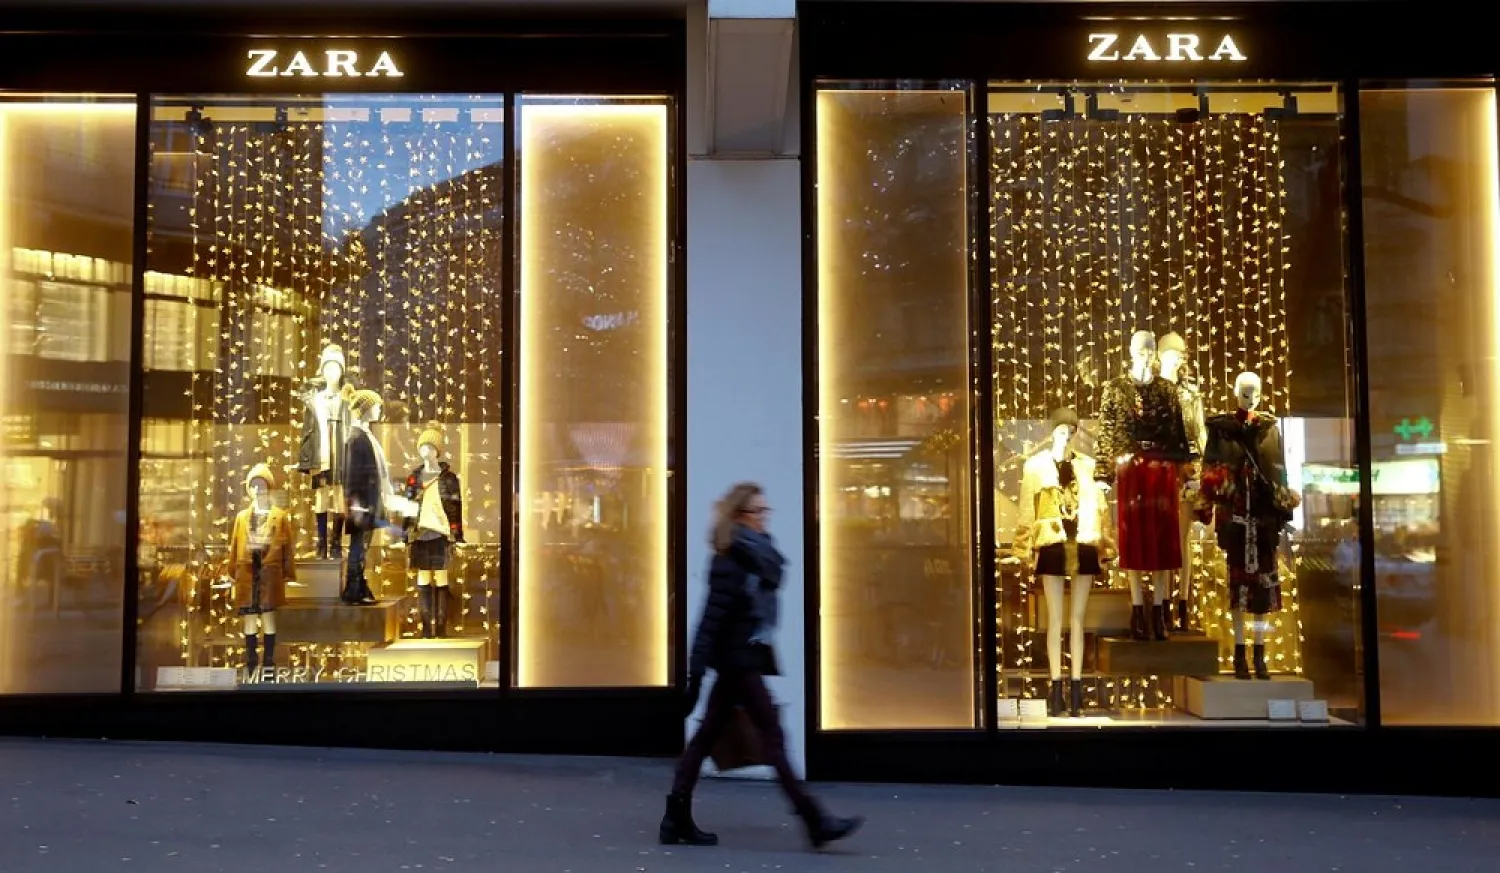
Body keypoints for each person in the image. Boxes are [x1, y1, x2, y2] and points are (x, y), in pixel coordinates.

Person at [660, 482, 863, 850]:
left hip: (744, 658)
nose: (764, 518)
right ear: (741, 517)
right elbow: (710, 619)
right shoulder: (730, 560)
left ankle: (675, 817)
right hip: (738, 662)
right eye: (758, 512)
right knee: (772, 738)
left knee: (708, 737)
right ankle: (814, 820)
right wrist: (695, 673)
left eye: (766, 511)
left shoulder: (756, 554)